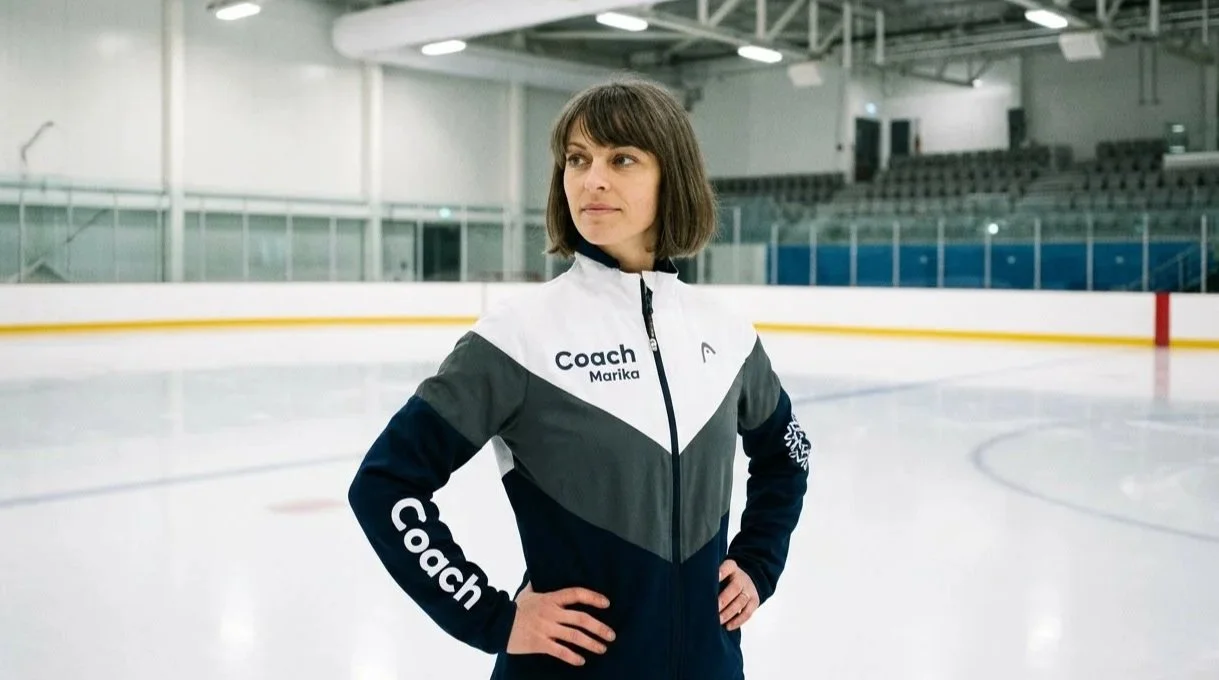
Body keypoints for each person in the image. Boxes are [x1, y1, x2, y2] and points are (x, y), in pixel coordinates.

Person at [347, 77, 811, 680]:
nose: (592, 179)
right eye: (577, 159)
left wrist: (758, 561)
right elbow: (385, 487)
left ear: (672, 176)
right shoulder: (516, 338)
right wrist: (492, 616)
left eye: (622, 159)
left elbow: (788, 454)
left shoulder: (725, 335)